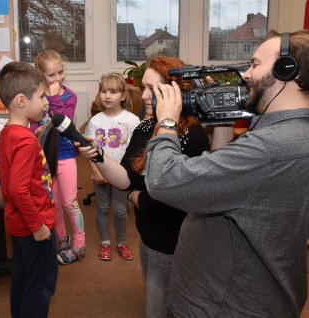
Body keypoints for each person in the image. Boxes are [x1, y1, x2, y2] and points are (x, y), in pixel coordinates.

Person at [144, 30, 309, 317]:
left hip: (224, 303)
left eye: (256, 64)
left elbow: (163, 179)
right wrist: (219, 112)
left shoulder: (267, 149)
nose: (246, 73)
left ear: (286, 70)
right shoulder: (289, 133)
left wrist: (168, 120)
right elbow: (234, 176)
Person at [78, 56, 232, 318]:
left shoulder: (191, 136)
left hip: (172, 243)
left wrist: (139, 199)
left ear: (174, 91)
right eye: (144, 87)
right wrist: (99, 156)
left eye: (152, 88)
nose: (144, 95)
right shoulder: (146, 126)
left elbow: (173, 199)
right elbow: (126, 178)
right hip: (148, 237)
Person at [0, 61, 58, 318]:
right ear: (21, 101)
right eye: (42, 96)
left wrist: (34, 137)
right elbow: (19, 190)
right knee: (40, 285)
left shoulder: (11, 133)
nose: (46, 101)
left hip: (17, 224)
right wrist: (37, 226)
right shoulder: (25, 141)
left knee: (21, 280)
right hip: (35, 226)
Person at [33, 49, 86, 265]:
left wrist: (54, 97)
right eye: (51, 75)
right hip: (45, 157)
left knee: (69, 202)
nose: (58, 78)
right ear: (41, 76)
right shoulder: (36, 97)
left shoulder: (68, 96)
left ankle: (80, 244)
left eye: (60, 72)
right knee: (52, 203)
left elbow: (64, 122)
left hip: (65, 155)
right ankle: (62, 238)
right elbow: (35, 124)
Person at [85, 73, 140, 261]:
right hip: (99, 175)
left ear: (123, 96)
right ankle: (105, 243)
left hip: (121, 176)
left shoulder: (132, 121)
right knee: (102, 208)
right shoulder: (94, 121)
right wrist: (95, 171)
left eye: (113, 92)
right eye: (104, 91)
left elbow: (135, 152)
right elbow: (89, 151)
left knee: (119, 210)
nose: (107, 96)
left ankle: (121, 242)